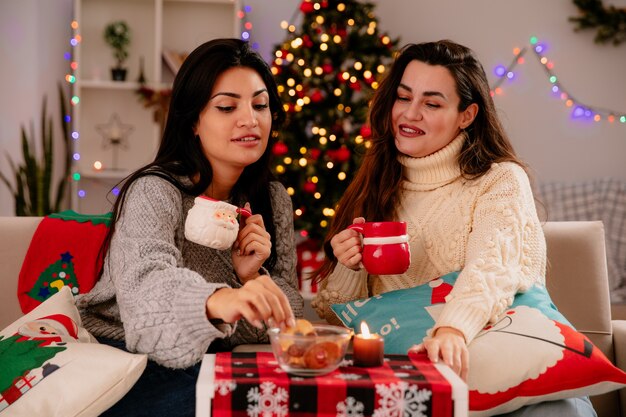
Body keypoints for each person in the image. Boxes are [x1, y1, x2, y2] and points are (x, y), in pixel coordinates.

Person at [310, 40, 596, 416]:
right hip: (424, 384)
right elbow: (340, 316)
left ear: (467, 114)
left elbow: (491, 268)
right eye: (403, 97)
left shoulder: (500, 180)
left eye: (431, 103)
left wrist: (453, 329)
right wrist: (350, 266)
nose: (410, 114)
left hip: (522, 382)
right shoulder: (375, 186)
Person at [76, 38, 303, 417]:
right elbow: (145, 290)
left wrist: (248, 279)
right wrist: (220, 299)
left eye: (260, 105)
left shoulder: (271, 199)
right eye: (227, 106)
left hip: (211, 361)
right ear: (194, 121)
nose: (250, 119)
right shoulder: (155, 191)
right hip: (126, 362)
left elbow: (288, 311)